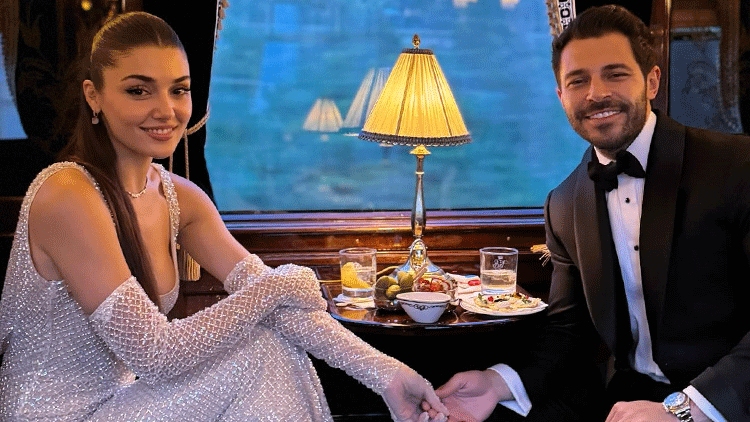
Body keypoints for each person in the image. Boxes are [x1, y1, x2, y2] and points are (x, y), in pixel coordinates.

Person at [0, 11, 450, 422]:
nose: (166, 110)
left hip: (123, 405)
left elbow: (283, 309)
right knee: (259, 351)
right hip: (55, 416)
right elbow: (156, 354)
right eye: (138, 90)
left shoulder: (180, 198)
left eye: (179, 90)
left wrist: (388, 376)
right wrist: (278, 285)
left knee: (270, 344)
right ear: (93, 96)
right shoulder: (67, 194)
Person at [427, 5, 750, 422]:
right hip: (623, 398)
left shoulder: (737, 166)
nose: (596, 93)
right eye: (578, 81)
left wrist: (686, 410)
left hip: (727, 401)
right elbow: (568, 331)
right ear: (561, 97)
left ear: (652, 81)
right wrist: (497, 382)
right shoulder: (564, 203)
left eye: (615, 74)